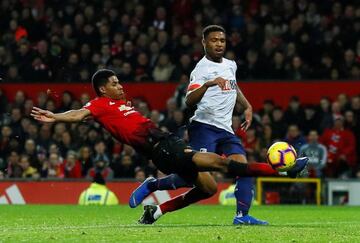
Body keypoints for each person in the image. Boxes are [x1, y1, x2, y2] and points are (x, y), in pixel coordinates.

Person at [31, 69, 307, 224]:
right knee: (224, 163)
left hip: (165, 145)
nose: (119, 85)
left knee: (208, 188)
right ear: (103, 89)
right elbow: (78, 114)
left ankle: (156, 209)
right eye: (114, 83)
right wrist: (54, 116)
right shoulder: (99, 105)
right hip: (162, 147)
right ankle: (283, 171)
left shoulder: (121, 105)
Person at [129, 25, 268, 225]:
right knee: (194, 178)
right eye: (214, 40)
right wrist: (207, 84)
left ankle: (242, 216)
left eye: (222, 40)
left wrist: (247, 106)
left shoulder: (231, 65)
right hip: (204, 128)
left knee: (243, 168)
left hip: (226, 130)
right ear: (204, 43)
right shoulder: (201, 69)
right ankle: (154, 185)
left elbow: (233, 86)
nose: (219, 44)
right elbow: (189, 100)